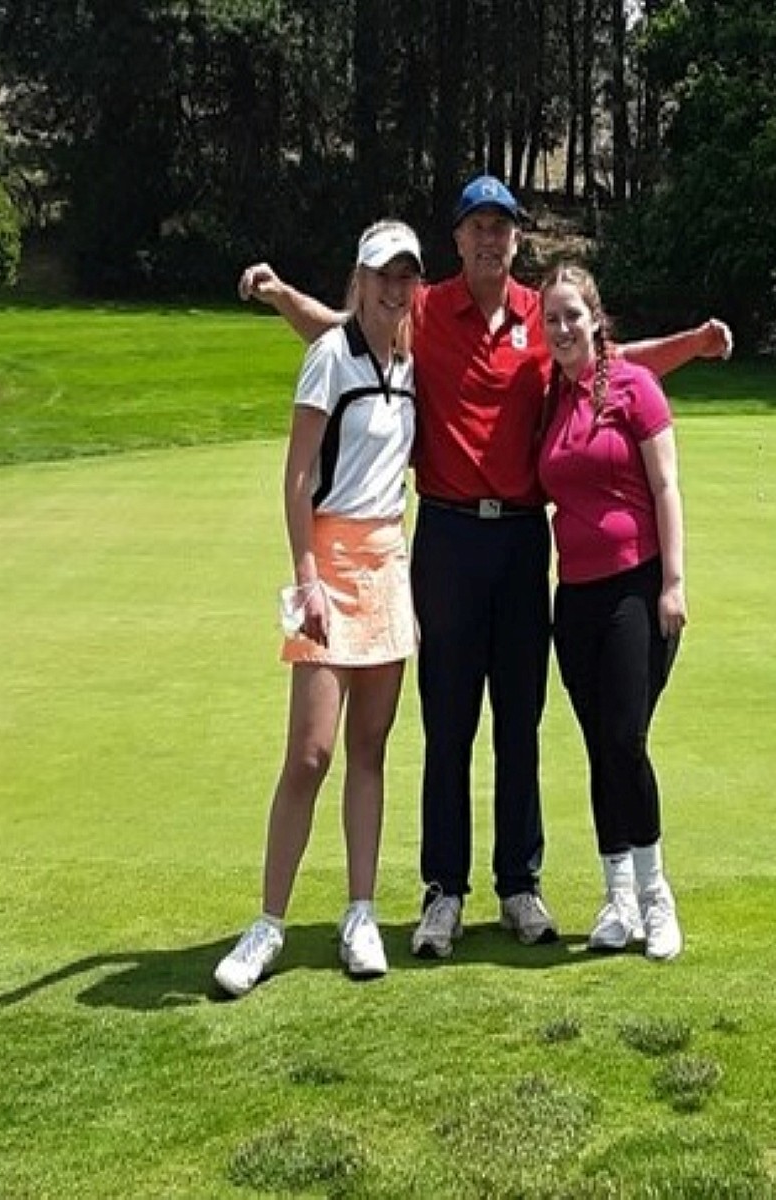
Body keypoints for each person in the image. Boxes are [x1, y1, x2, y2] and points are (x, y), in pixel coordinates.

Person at [236, 174, 731, 962]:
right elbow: (339, 328)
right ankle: (444, 891)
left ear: (516, 241)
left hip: (522, 541)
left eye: (503, 228)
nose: (491, 239)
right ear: (459, 239)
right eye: (477, 227)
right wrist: (278, 294)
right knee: (449, 720)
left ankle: (518, 884)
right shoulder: (424, 306)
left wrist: (695, 348)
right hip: (447, 538)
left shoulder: (544, 317)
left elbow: (612, 359)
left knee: (520, 720)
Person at [214, 220, 423, 996]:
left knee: (370, 749)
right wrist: (305, 578)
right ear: (360, 278)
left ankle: (360, 913)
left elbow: (326, 313)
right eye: (382, 275)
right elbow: (297, 478)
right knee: (311, 752)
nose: (395, 288)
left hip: (389, 562)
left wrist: (277, 294)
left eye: (406, 276)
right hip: (328, 561)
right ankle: (268, 923)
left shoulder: (411, 358)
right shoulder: (329, 359)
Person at [538, 262, 689, 959]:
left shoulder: (635, 388)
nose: (563, 328)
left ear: (596, 319)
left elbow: (665, 488)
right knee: (601, 748)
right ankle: (617, 898)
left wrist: (674, 584)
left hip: (637, 585)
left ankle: (656, 898)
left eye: (573, 315)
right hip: (575, 598)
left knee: (626, 739)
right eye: (552, 320)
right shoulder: (550, 400)